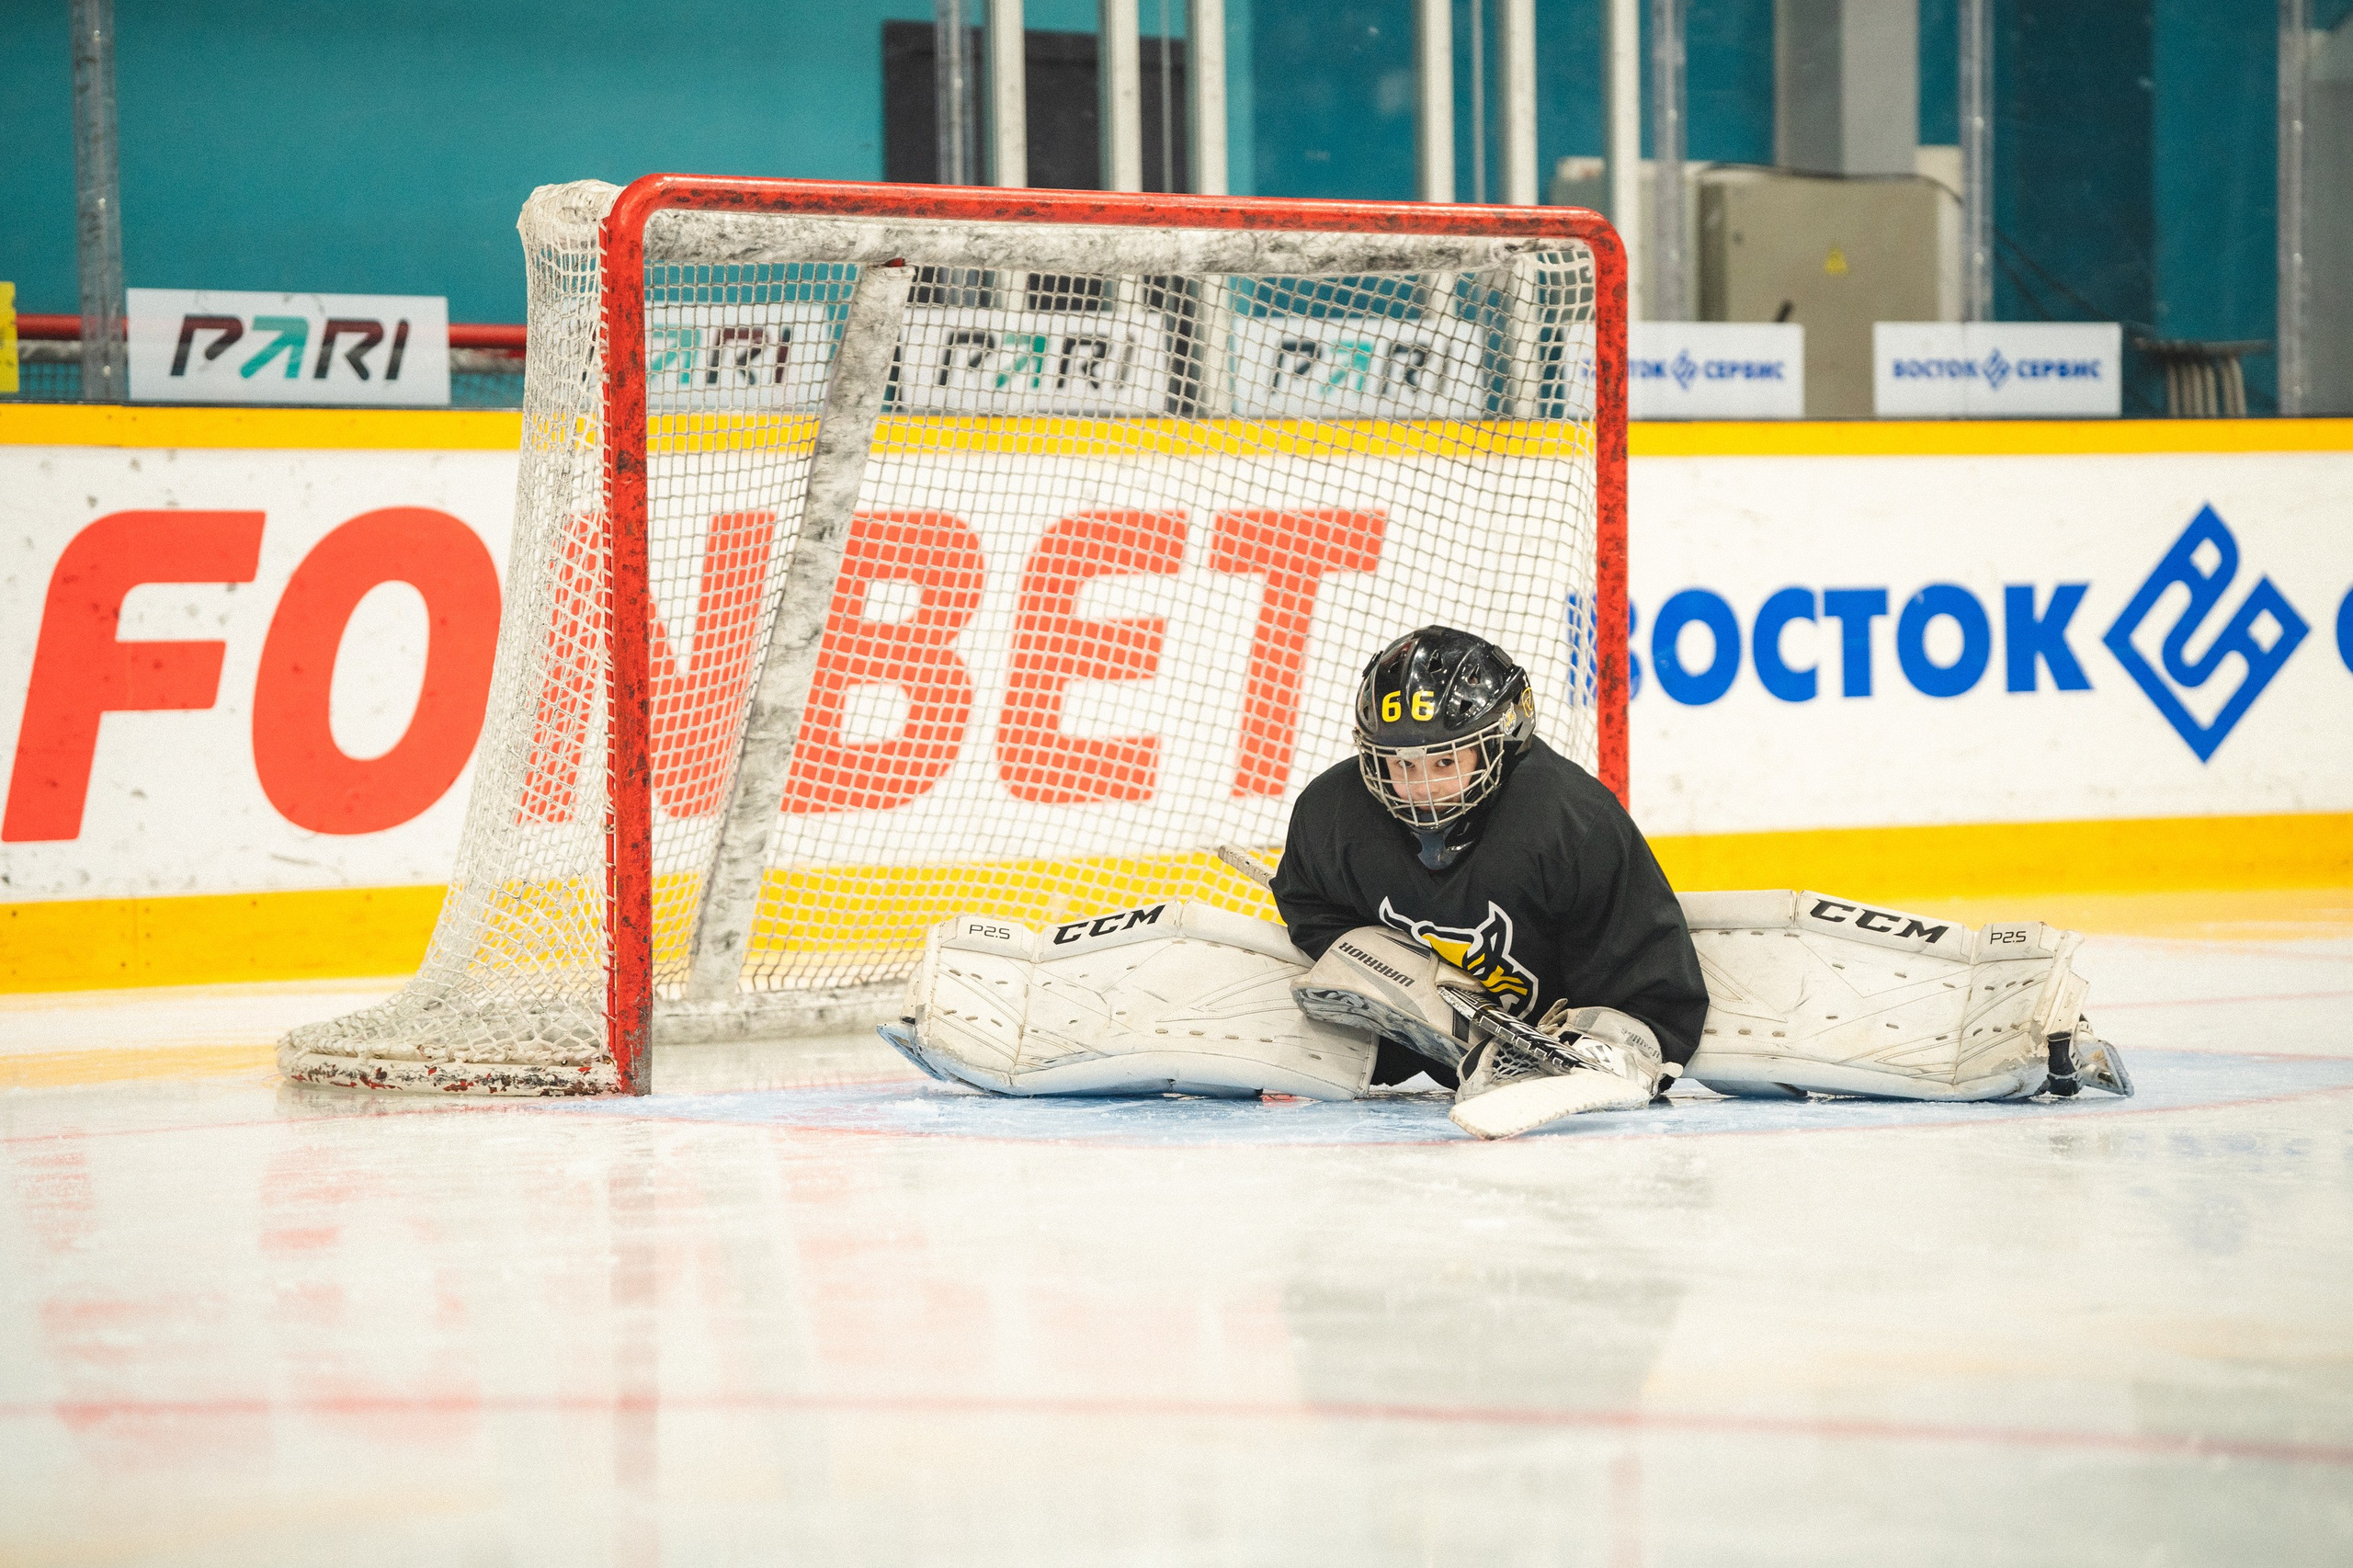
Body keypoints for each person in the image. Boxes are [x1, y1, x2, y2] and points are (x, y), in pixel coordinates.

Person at [883, 626, 2131, 1140]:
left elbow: (1652, 971)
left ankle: (2020, 1025)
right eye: (1400, 761)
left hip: (1578, 1005)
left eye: (1448, 758)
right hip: (1436, 1033)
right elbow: (1312, 916)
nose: (1421, 784)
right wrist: (1397, 1005)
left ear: (1503, 743)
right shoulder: (1331, 810)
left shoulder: (1567, 820)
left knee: (1767, 1006)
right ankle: (1006, 1004)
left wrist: (1604, 1042)